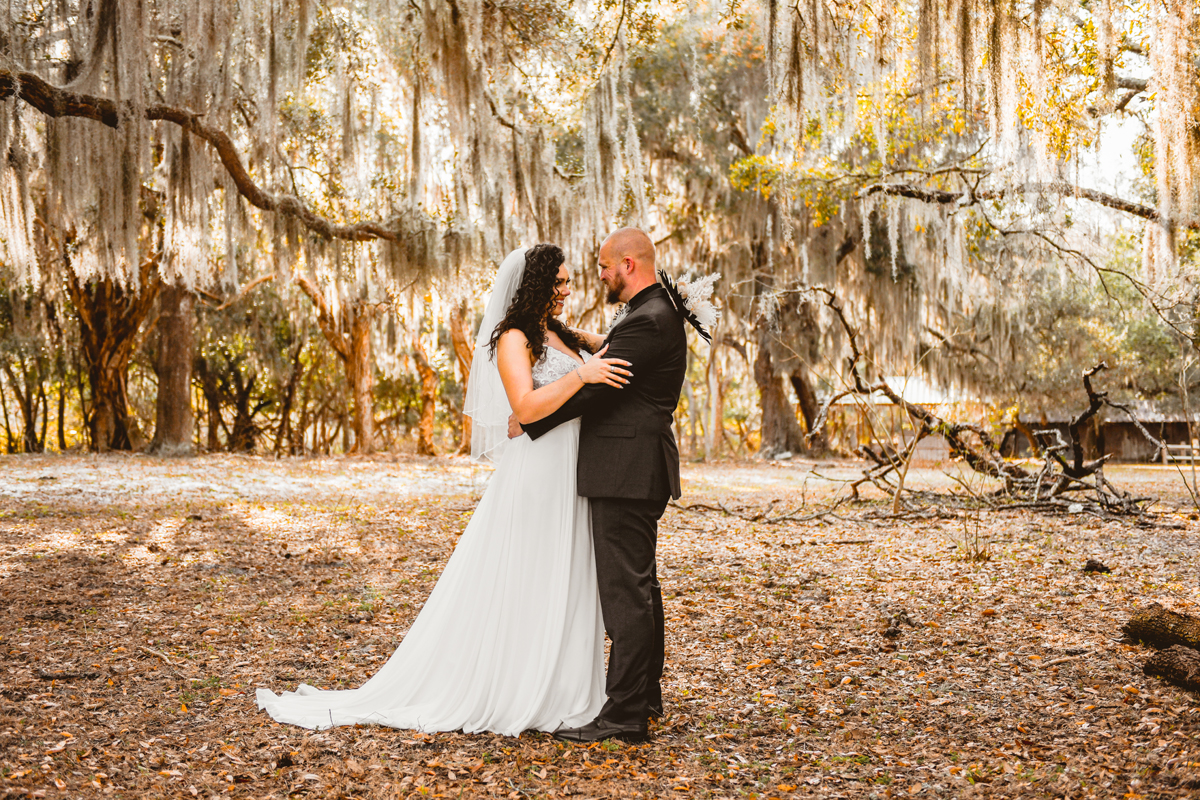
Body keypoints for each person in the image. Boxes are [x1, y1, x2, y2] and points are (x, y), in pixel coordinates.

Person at [255, 243, 633, 734]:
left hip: (572, 468)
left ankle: (564, 686)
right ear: (533, 286)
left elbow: (617, 342)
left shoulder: (559, 333)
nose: (566, 289)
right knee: (531, 572)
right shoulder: (513, 338)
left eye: (568, 281)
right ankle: (518, 686)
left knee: (567, 573)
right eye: (557, 283)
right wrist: (582, 373)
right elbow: (525, 408)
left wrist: (659, 312)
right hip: (538, 471)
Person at [517, 228, 689, 743]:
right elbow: (604, 355)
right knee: (641, 588)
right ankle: (645, 697)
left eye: (603, 266)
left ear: (630, 265)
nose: (599, 275)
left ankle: (625, 715)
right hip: (633, 466)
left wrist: (530, 419)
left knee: (626, 594)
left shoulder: (650, 319)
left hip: (625, 468)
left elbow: (600, 389)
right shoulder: (653, 311)